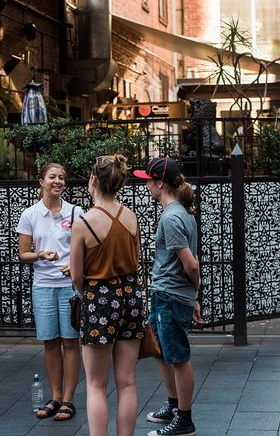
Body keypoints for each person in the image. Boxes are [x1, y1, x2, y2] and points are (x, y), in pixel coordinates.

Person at [70, 155, 144, 436]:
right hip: (131, 296)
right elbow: (136, 262)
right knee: (127, 382)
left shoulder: (84, 223)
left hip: (99, 299)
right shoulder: (131, 217)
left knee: (96, 384)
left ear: (93, 181)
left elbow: (77, 276)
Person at [134, 157, 202, 436]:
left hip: (171, 296)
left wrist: (194, 291)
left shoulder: (172, 217)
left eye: (148, 180)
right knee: (162, 352)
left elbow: (191, 264)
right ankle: (175, 406)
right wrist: (193, 294)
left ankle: (184, 421)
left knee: (178, 356)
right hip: (169, 294)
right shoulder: (181, 214)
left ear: (159, 183)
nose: (146, 184)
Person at [17, 162, 81, 421]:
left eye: (62, 178)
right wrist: (40, 254)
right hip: (42, 285)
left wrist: (73, 265)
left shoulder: (76, 212)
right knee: (50, 342)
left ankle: (69, 399)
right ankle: (55, 396)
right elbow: (23, 254)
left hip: (69, 286)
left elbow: (86, 249)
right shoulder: (30, 214)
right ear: (41, 182)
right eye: (52, 177)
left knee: (70, 341)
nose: (58, 181)